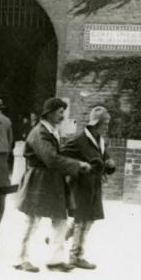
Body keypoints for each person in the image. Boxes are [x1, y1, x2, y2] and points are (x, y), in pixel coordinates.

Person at [14, 97, 91, 273]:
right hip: (39, 180)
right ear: (49, 113)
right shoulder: (40, 132)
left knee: (60, 219)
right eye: (60, 112)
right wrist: (76, 165)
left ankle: (56, 260)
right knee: (32, 220)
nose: (63, 116)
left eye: (64, 112)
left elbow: (55, 157)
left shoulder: (50, 130)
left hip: (51, 180)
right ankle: (21, 259)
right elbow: (50, 158)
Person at [60, 106, 116, 270]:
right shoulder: (79, 140)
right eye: (104, 124)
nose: (107, 127)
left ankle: (60, 237)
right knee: (83, 220)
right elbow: (62, 156)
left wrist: (109, 165)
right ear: (95, 124)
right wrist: (78, 167)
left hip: (94, 186)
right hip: (81, 185)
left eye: (107, 124)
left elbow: (103, 160)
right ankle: (76, 256)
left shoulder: (102, 141)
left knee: (86, 219)